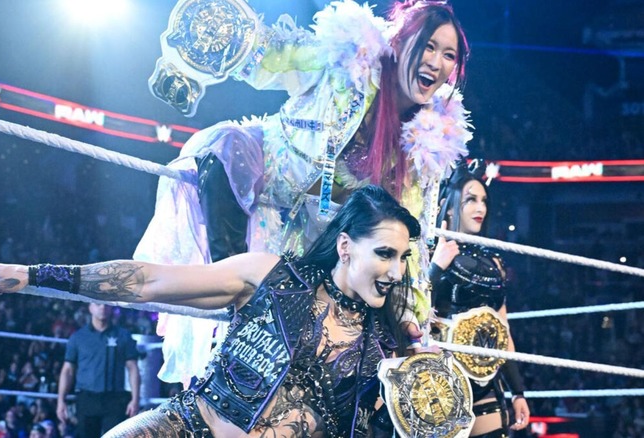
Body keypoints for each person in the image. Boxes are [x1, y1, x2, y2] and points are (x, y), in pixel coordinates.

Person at [140, 0, 473, 384]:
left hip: (321, 234)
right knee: (223, 145)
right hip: (269, 171)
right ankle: (232, 299)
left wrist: (410, 315)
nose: (436, 61)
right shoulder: (350, 60)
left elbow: (408, 234)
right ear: (401, 41)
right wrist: (184, 65)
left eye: (448, 55)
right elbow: (271, 54)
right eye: (428, 46)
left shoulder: (427, 141)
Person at [0, 185, 469, 437]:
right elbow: (146, 281)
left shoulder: (384, 351)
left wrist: (421, 389)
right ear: (344, 246)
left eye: (403, 258)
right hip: (186, 428)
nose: (397, 271)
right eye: (385, 253)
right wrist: (35, 276)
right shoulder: (273, 276)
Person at [429, 161, 530, 437]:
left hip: (489, 380)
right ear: (450, 207)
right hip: (444, 377)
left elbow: (503, 332)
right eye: (471, 200)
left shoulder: (494, 261)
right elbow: (411, 311)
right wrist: (435, 267)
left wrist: (518, 391)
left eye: (484, 201)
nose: (480, 209)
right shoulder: (433, 252)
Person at [56, 303, 140, 437]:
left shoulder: (123, 336)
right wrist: (61, 400)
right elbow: (67, 370)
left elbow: (133, 368)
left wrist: (135, 399)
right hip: (87, 397)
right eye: (98, 304)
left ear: (111, 308)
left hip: (115, 398)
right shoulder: (78, 337)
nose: (102, 307)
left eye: (106, 305)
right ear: (90, 307)